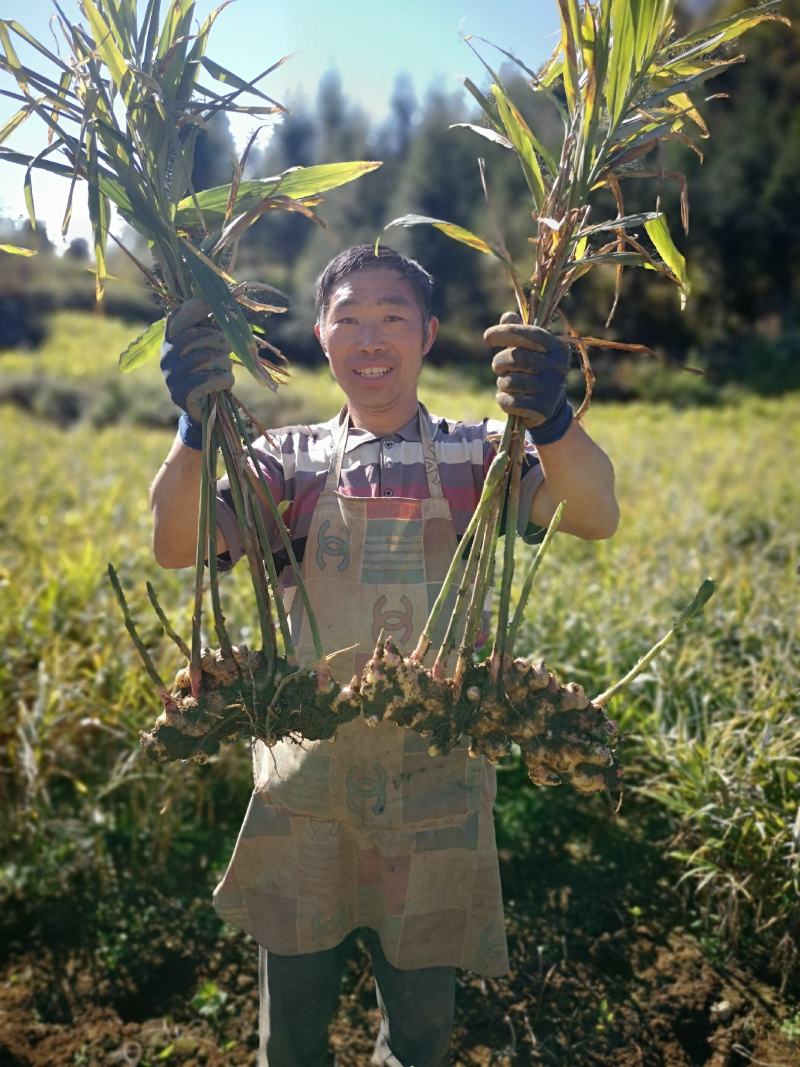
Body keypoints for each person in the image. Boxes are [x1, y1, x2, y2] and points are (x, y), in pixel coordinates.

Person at [150, 244, 618, 1066]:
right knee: (291, 1037)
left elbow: (594, 511)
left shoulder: (482, 453)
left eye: (393, 318)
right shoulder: (284, 459)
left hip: (436, 789)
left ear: (429, 333)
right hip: (307, 791)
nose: (371, 339)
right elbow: (174, 540)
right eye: (349, 319)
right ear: (322, 338)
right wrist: (194, 425)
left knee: (421, 1036)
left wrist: (550, 419)